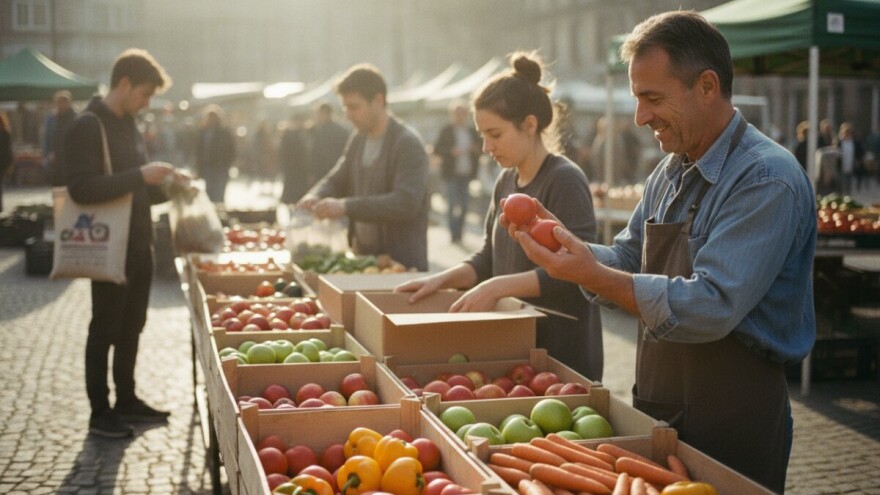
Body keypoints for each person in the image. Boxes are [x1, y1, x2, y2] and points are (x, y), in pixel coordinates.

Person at [510, 12, 816, 492]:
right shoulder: (670, 171)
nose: (640, 116)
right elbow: (630, 259)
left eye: (653, 98)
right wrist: (569, 246)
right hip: (659, 402)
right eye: (637, 99)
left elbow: (712, 305)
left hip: (732, 419)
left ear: (707, 86)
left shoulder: (765, 179)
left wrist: (592, 274)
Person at [396, 52, 604, 381]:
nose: (485, 147)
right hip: (516, 349)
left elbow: (579, 271)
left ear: (530, 125)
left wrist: (497, 288)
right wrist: (441, 280)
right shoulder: (505, 181)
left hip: (561, 353)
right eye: (482, 136)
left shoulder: (565, 179)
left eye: (494, 134)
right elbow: (489, 257)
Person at [64, 48, 188, 438]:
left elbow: (140, 192)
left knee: (133, 325)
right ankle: (100, 412)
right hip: (108, 246)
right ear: (124, 84)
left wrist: (171, 187)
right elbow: (81, 189)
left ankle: (127, 399)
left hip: (139, 243)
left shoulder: (130, 124)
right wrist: (140, 174)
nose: (147, 102)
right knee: (105, 327)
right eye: (145, 94)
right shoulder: (88, 125)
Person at [297, 64, 429, 271]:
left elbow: (405, 203)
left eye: (354, 107)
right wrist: (315, 195)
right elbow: (338, 177)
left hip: (401, 266)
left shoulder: (407, 144)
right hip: (365, 261)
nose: (348, 115)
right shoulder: (359, 138)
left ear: (378, 100)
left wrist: (345, 206)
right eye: (345, 108)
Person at [434, 99, 481, 243]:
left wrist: (475, 149)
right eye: (457, 113)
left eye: (462, 113)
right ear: (452, 114)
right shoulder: (446, 130)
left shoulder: (472, 131)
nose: (460, 116)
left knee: (465, 205)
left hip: (466, 173)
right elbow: (437, 149)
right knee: (452, 204)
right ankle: (453, 234)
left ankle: (459, 232)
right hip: (451, 174)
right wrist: (450, 152)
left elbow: (482, 148)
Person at [195, 104, 236, 203]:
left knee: (219, 193)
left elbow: (231, 149)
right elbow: (199, 151)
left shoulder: (224, 132)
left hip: (220, 167)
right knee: (210, 193)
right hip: (208, 167)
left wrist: (227, 163)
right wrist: (199, 167)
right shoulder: (203, 132)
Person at [309, 102, 350, 188]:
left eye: (317, 114)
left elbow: (316, 155)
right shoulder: (341, 130)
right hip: (339, 174)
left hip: (325, 174)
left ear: (324, 114)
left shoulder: (321, 132)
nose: (316, 117)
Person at [42, 90, 78, 187]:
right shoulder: (52, 119)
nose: (60, 105)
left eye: (63, 102)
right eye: (58, 102)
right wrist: (49, 153)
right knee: (58, 188)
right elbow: (48, 137)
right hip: (56, 160)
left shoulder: (75, 118)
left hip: (69, 160)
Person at [278, 112, 311, 204]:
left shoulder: (298, 133)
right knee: (293, 191)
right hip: (293, 168)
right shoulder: (290, 134)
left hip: (298, 169)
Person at [835, 122, 865, 194]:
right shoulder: (839, 142)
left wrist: (858, 161)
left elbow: (860, 153)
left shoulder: (855, 142)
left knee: (849, 183)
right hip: (841, 166)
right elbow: (835, 153)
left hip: (851, 165)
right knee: (841, 183)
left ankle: (848, 196)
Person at [0, 112, 13, 212]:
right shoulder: (6, 133)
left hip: (2, 164)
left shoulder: (5, 134)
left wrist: (8, 165)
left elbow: (8, 151)